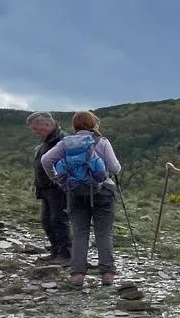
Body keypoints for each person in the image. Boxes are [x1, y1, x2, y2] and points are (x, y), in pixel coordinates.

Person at [39, 111, 122, 287]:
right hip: (103, 192)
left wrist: (57, 180)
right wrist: (104, 173)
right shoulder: (102, 142)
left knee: (79, 233)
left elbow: (46, 160)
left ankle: (77, 275)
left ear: (75, 125)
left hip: (75, 192)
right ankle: (107, 273)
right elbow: (115, 167)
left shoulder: (65, 143)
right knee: (103, 233)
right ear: (94, 124)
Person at [28, 112, 71, 265]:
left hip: (57, 187)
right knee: (47, 221)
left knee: (58, 220)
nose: (35, 132)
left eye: (36, 128)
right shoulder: (48, 139)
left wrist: (59, 181)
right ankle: (56, 251)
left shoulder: (61, 139)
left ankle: (66, 254)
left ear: (47, 125)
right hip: (45, 187)